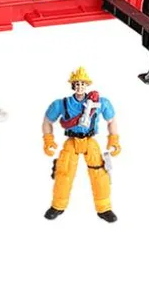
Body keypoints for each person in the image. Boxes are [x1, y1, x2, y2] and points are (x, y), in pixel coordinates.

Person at [42, 66, 120, 221]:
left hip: (90, 141)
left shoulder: (100, 102)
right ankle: (58, 206)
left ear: (87, 85)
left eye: (83, 84)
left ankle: (104, 208)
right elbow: (47, 121)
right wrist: (48, 139)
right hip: (72, 141)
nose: (80, 86)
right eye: (77, 84)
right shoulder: (62, 104)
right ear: (73, 85)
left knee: (100, 174)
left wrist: (114, 140)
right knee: (63, 173)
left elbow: (111, 121)